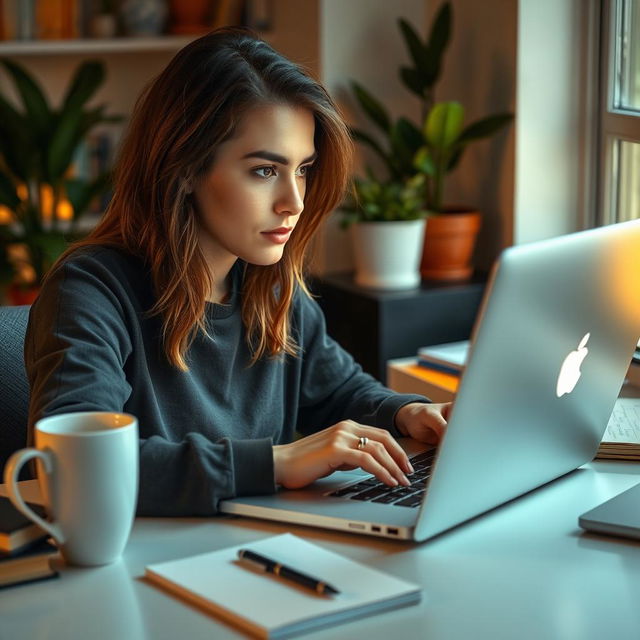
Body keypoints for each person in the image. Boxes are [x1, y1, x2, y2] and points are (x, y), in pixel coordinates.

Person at [25, 27, 451, 516]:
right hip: (143, 568)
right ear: (184, 168)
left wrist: (408, 412)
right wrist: (275, 463)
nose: (294, 202)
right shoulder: (91, 292)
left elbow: (339, 391)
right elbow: (76, 466)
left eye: (303, 169)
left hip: (249, 552)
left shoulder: (270, 287)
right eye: (265, 171)